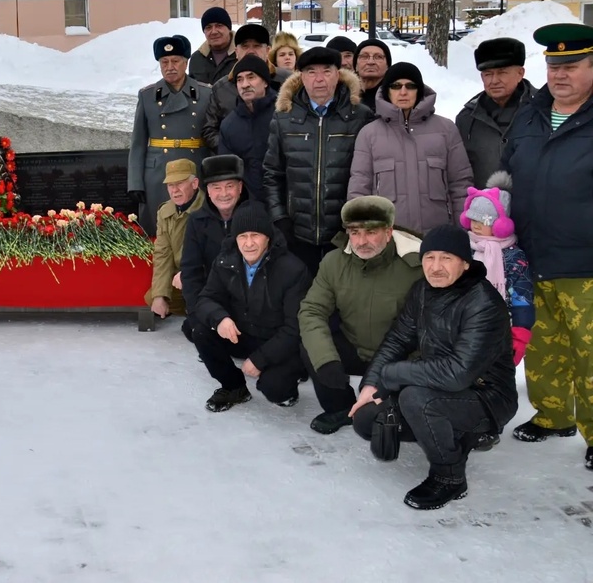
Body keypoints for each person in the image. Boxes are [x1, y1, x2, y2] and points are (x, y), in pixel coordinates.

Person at [351, 224, 517, 510]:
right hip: (437, 385)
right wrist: (372, 383)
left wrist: (392, 375)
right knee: (367, 419)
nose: (436, 267)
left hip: (485, 397)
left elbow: (457, 373)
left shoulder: (483, 303)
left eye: (446, 258)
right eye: (429, 257)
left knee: (416, 399)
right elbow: (397, 339)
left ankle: (449, 477)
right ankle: (454, 434)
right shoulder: (422, 291)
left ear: (465, 263)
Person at [501, 22, 593, 470]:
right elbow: (506, 174)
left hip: (585, 265)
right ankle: (554, 416)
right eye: (554, 65)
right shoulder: (529, 116)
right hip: (532, 259)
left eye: (572, 66)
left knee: (590, 355)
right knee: (542, 346)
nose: (560, 74)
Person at [298, 196, 423, 435]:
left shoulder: (416, 266)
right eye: (355, 233)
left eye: (371, 232)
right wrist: (326, 360)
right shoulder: (334, 262)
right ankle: (340, 407)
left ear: (388, 232)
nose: (361, 241)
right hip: (355, 347)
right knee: (312, 346)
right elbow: (312, 310)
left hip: (398, 359)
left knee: (376, 422)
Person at [264, 45, 374, 275]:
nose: (319, 79)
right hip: (298, 233)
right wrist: (279, 218)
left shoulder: (360, 116)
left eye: (326, 71)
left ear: (338, 74)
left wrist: (356, 222)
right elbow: (272, 173)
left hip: (345, 233)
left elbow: (369, 175)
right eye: (311, 72)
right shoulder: (284, 118)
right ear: (301, 77)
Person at [191, 202, 310, 411]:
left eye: (255, 235)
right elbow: (205, 299)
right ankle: (234, 387)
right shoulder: (225, 261)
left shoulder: (292, 270)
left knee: (275, 389)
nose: (248, 243)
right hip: (244, 333)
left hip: (278, 341)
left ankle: (293, 378)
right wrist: (220, 318)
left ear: (268, 237)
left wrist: (260, 359)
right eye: (242, 236)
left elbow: (296, 328)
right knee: (201, 331)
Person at [348, 61, 473, 235]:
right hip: (389, 236)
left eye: (410, 86)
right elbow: (359, 188)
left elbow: (460, 185)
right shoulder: (369, 134)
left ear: (419, 90)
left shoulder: (446, 129)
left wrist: (462, 232)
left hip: (438, 236)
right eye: (396, 86)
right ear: (387, 91)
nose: (403, 92)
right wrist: (362, 234)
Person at [127, 36, 211, 236]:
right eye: (164, 62)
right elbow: (138, 143)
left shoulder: (205, 93)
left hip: (193, 169)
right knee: (158, 230)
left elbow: (212, 137)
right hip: (158, 174)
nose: (170, 67)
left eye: (175, 61)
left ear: (186, 62)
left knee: (194, 229)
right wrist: (135, 183)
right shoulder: (147, 96)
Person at [461, 173, 533, 367]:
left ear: (501, 225)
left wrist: (520, 333)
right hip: (466, 326)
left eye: (484, 221)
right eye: (473, 219)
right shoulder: (465, 249)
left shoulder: (513, 256)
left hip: (502, 328)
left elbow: (522, 296)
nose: (476, 225)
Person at [455, 38, 537, 188]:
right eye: (488, 74)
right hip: (483, 202)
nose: (494, 80)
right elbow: (459, 173)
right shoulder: (467, 119)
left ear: (520, 73)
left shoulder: (543, 110)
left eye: (502, 73)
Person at [179, 154, 249, 320]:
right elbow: (191, 272)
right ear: (208, 191)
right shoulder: (197, 221)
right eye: (216, 187)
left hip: (250, 306)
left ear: (240, 187)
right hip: (212, 303)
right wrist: (198, 314)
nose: (224, 194)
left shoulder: (254, 216)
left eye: (229, 186)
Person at [201, 24, 290, 153]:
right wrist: (231, 148)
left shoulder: (287, 81)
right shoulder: (221, 88)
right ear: (236, 52)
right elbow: (209, 130)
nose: (251, 51)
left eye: (257, 46)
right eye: (245, 46)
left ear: (268, 50)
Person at [144, 159, 204, 321]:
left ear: (194, 183)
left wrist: (189, 273)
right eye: (170, 185)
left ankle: (205, 313)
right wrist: (160, 295)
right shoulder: (165, 211)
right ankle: (195, 311)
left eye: (180, 183)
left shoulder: (207, 207)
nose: (175, 190)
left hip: (205, 275)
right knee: (153, 297)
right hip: (180, 277)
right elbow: (162, 253)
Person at [218, 54, 277, 196]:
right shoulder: (229, 125)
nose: (245, 85)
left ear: (265, 82)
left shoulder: (284, 114)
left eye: (251, 77)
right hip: (249, 202)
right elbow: (228, 173)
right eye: (240, 79)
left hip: (287, 200)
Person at [187, 6, 236, 84]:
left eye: (219, 26)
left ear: (229, 28)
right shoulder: (197, 59)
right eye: (208, 27)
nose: (214, 32)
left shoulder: (242, 54)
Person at [354, 38, 391, 111]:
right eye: (364, 56)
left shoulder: (395, 95)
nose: (370, 62)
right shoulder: (343, 95)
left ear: (387, 66)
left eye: (378, 57)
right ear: (356, 66)